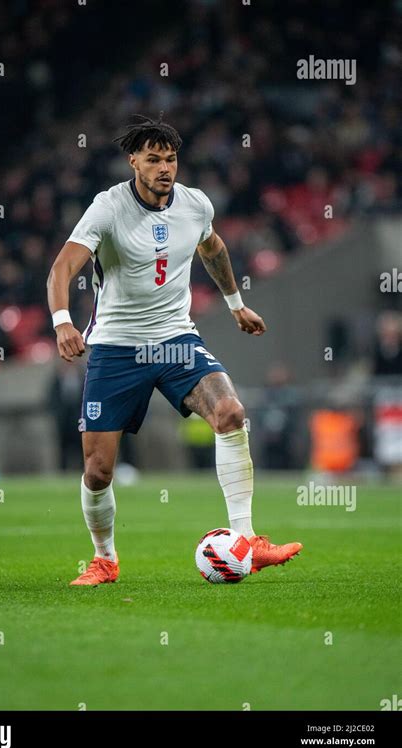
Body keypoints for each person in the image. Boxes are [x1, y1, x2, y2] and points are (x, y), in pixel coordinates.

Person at [46, 114, 302, 586]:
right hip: (116, 347)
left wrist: (235, 305)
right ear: (133, 162)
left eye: (171, 158)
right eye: (153, 159)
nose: (165, 168)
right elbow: (61, 268)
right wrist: (63, 322)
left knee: (229, 412)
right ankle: (105, 559)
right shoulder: (107, 208)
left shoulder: (195, 204)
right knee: (99, 471)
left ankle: (247, 540)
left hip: (174, 340)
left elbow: (213, 248)